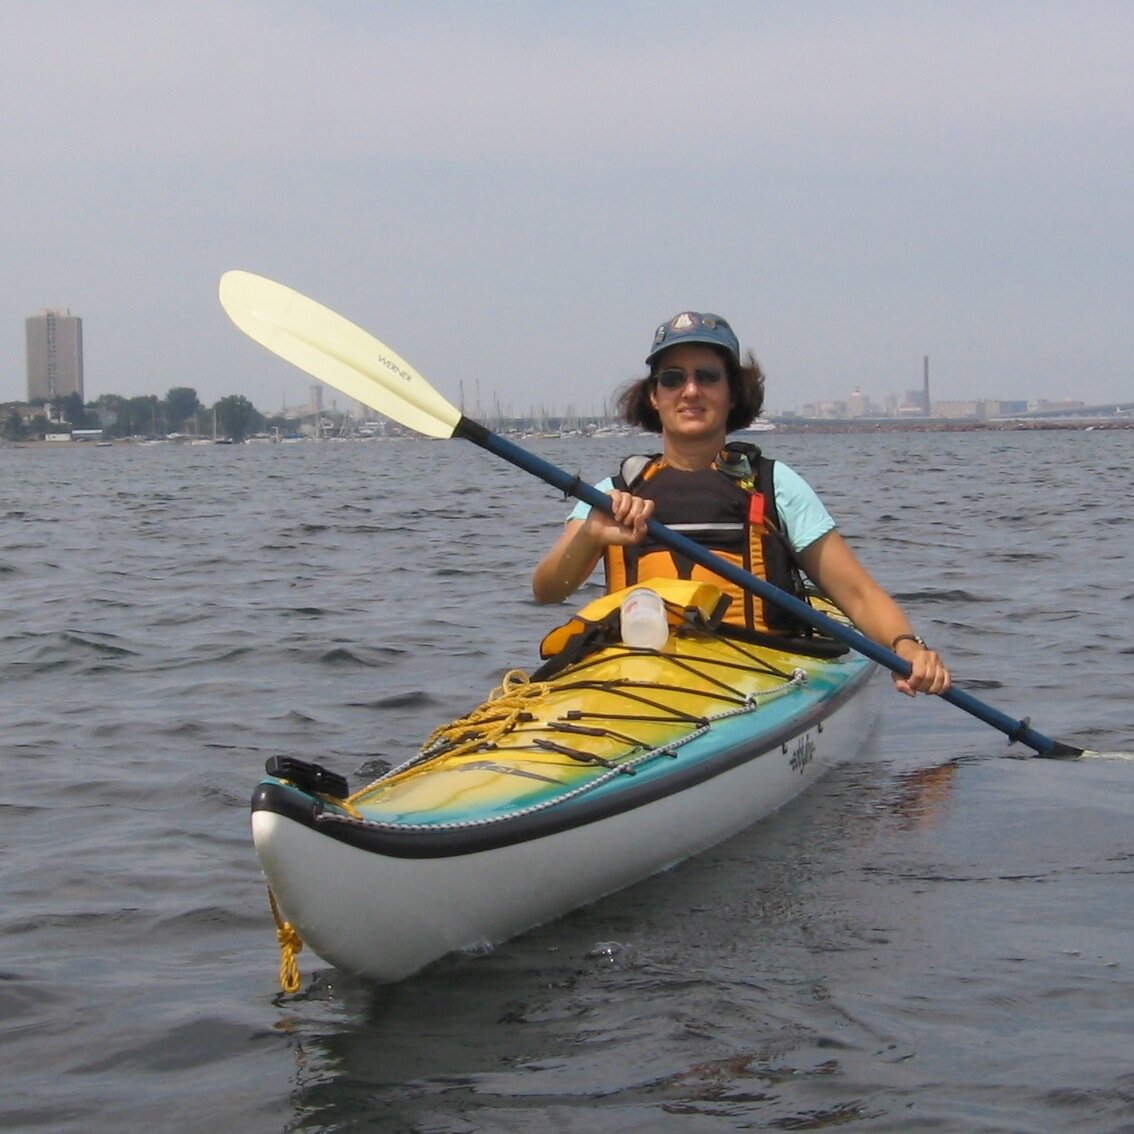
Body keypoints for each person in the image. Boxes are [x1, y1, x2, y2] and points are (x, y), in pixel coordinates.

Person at [531, 311, 951, 697]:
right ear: (654, 397)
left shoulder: (774, 486)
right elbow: (549, 590)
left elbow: (858, 596)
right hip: (633, 681)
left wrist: (907, 646)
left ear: (733, 393)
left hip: (754, 679)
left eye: (708, 376)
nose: (690, 391)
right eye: (673, 378)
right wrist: (590, 535)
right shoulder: (614, 492)